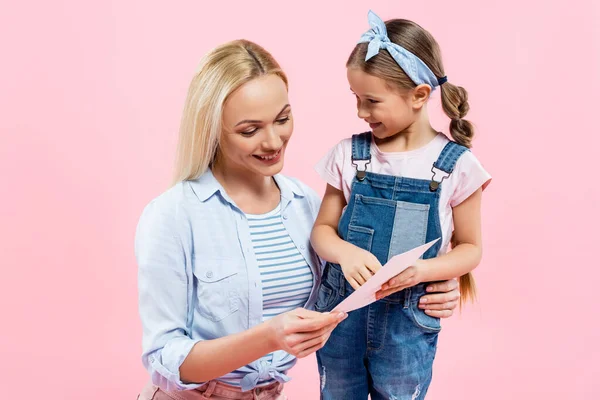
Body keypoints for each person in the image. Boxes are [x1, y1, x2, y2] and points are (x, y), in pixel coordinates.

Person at [135, 38, 461, 400]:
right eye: (249, 130)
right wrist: (269, 337)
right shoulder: (173, 216)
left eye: (283, 119)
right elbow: (164, 360)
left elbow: (358, 284)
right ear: (212, 129)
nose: (274, 141)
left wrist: (433, 287)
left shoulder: (305, 206)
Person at [311, 11, 491, 400]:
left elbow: (471, 249)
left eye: (371, 101)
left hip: (408, 319)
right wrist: (343, 253)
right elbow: (322, 230)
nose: (361, 112)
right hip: (342, 311)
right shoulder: (348, 155)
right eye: (356, 99)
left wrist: (422, 269)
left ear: (419, 96)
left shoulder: (457, 167)